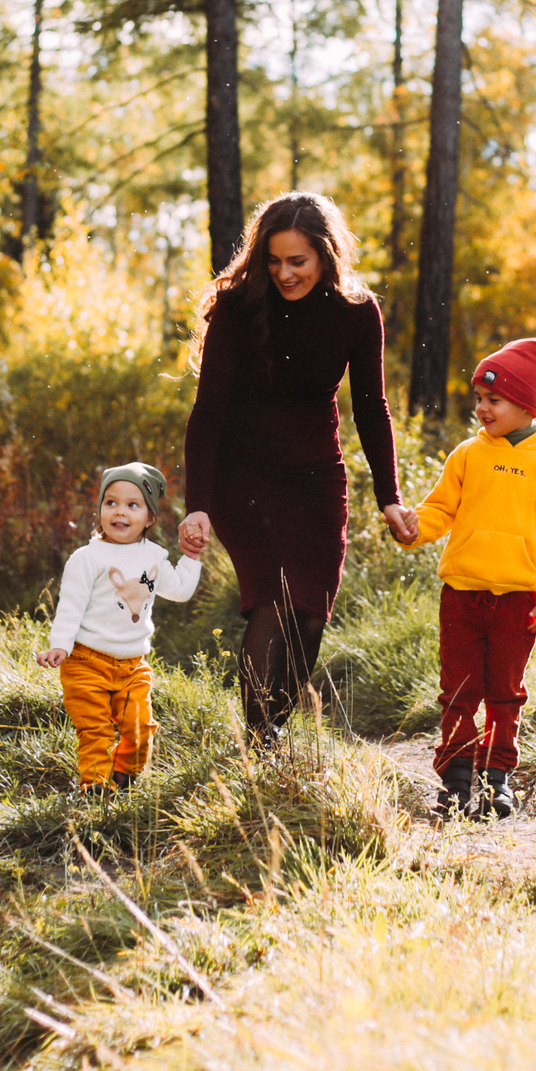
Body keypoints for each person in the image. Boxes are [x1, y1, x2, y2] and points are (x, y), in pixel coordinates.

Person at [180, 193, 410, 741]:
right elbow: (207, 412)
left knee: (310, 610)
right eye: (274, 260)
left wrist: (390, 496)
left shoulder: (357, 313)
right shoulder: (238, 307)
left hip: (316, 477)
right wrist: (199, 505)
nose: (284, 273)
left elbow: (372, 408)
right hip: (243, 475)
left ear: (326, 256)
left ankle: (275, 734)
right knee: (273, 597)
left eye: (298, 262)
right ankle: (261, 745)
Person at [397, 337, 536, 820]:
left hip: (519, 600)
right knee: (458, 690)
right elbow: (440, 509)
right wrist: (414, 528)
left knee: (504, 694)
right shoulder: (467, 455)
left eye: (493, 399)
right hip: (461, 594)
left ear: (525, 404)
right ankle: (456, 779)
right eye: (478, 398)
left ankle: (495, 779)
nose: (481, 408)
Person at [37, 462, 207, 792]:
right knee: (95, 731)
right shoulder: (87, 557)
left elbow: (181, 591)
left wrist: (192, 558)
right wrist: (60, 645)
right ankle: (94, 789)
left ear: (150, 517)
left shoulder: (155, 557)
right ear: (100, 508)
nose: (120, 512)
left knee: (140, 728)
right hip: (86, 662)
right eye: (110, 502)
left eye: (133, 505)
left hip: (132, 667)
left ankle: (124, 775)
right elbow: (70, 606)